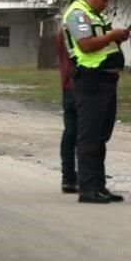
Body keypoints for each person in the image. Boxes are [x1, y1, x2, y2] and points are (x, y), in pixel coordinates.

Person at [62, 0, 131, 204]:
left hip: (106, 81)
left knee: (101, 137)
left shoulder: (95, 14)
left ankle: (99, 185)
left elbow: (101, 43)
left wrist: (116, 39)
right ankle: (88, 188)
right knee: (89, 137)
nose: (105, 4)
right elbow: (86, 45)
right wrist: (112, 35)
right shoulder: (77, 14)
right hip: (90, 80)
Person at [56, 28, 78, 193]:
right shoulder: (78, 25)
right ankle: (85, 177)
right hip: (81, 84)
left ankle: (68, 177)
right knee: (85, 134)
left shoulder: (63, 29)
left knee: (70, 132)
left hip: (68, 84)